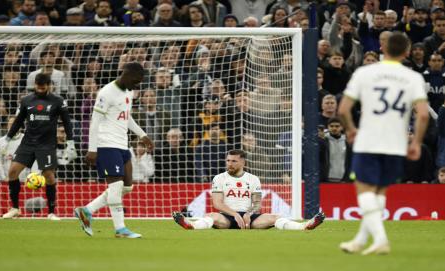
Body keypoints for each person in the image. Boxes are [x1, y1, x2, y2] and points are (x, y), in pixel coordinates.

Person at [338, 32, 429, 255]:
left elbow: (342, 109)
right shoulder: (414, 78)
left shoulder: (365, 72)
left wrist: (350, 130)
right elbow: (424, 115)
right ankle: (360, 240)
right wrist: (416, 142)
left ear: (383, 48)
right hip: (396, 143)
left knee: (365, 191)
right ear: (407, 52)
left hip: (369, 140)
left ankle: (380, 239)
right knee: (378, 193)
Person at [74, 62, 154, 239]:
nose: (138, 85)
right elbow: (95, 121)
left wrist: (142, 135)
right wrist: (92, 149)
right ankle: (120, 229)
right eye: (137, 81)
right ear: (128, 75)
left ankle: (87, 210)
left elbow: (126, 116)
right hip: (106, 144)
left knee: (127, 186)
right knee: (116, 186)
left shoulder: (129, 92)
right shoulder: (106, 93)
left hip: (122, 144)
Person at [172, 149, 325, 230]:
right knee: (211, 215)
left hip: (250, 219)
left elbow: (257, 203)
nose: (229, 164)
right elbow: (217, 204)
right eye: (228, 161)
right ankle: (190, 225)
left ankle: (304, 226)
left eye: (233, 161)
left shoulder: (253, 179)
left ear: (242, 162)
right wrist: (235, 215)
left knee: (275, 217)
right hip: (227, 218)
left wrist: (249, 214)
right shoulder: (219, 178)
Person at [0, 73, 76, 220]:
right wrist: (8, 138)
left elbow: (67, 122)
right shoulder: (26, 100)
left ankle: (51, 212)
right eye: (38, 87)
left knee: (49, 176)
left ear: (49, 85)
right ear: (34, 85)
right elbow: (18, 121)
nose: (40, 89)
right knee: (13, 172)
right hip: (28, 143)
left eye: (43, 87)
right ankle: (15, 208)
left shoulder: (58, 101)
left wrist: (71, 143)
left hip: (46, 144)